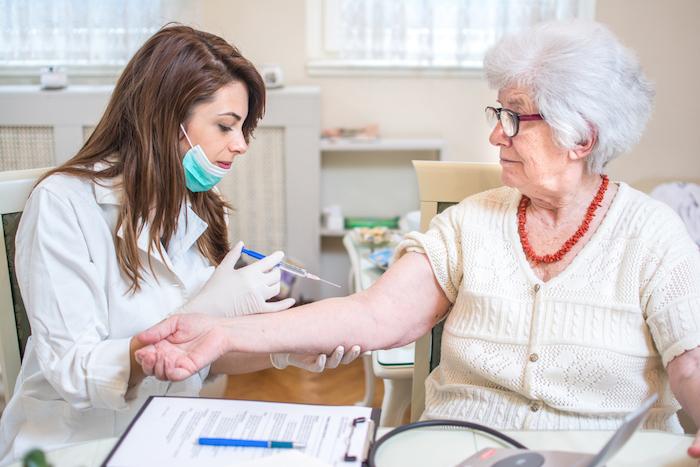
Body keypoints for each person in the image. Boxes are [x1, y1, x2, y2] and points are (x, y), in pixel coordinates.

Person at [135, 20, 700, 460]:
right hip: (462, 452)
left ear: (581, 136)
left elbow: (690, 366)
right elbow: (375, 314)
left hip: (606, 456)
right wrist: (221, 331)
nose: (495, 131)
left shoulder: (653, 234)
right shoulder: (472, 223)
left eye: (515, 117)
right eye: (497, 111)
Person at [0, 25, 358, 465]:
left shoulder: (201, 211)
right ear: (165, 118)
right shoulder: (64, 205)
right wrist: (200, 315)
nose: (241, 145)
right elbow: (74, 372)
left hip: (168, 431)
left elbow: (202, 361)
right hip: (72, 444)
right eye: (226, 126)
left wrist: (281, 348)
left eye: (243, 128)